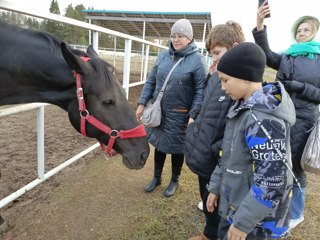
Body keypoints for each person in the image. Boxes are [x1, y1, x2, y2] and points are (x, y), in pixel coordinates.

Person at [206, 42, 296, 240]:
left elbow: (271, 180)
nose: (222, 87)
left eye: (225, 80)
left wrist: (244, 223)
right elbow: (228, 154)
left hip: (257, 224)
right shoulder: (242, 108)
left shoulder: (263, 120)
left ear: (245, 78)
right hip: (236, 206)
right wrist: (215, 186)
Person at [253, 1, 320, 229]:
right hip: (279, 114)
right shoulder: (288, 55)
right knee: (278, 161)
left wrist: (299, 87)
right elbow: (267, 55)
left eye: (306, 30)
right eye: (299, 30)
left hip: (304, 118)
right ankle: (277, 205)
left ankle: (297, 212)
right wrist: (260, 24)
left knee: (295, 166)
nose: (301, 33)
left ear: (315, 32)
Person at [185, 21, 245, 240]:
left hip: (218, 160)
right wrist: (193, 123)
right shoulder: (216, 76)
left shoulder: (238, 86)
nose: (214, 59)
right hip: (205, 156)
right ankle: (208, 234)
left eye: (218, 53)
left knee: (219, 204)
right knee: (206, 197)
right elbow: (204, 103)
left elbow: (235, 129)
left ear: (235, 47)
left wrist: (214, 149)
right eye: (211, 54)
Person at [136, 19, 208, 198]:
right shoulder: (163, 56)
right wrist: (141, 103)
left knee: (177, 148)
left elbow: (201, 91)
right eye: (173, 36)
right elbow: (151, 80)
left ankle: (174, 179)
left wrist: (193, 114)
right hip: (160, 111)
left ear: (189, 39)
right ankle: (156, 177)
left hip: (181, 115)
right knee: (159, 145)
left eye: (181, 36)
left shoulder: (197, 61)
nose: (176, 39)